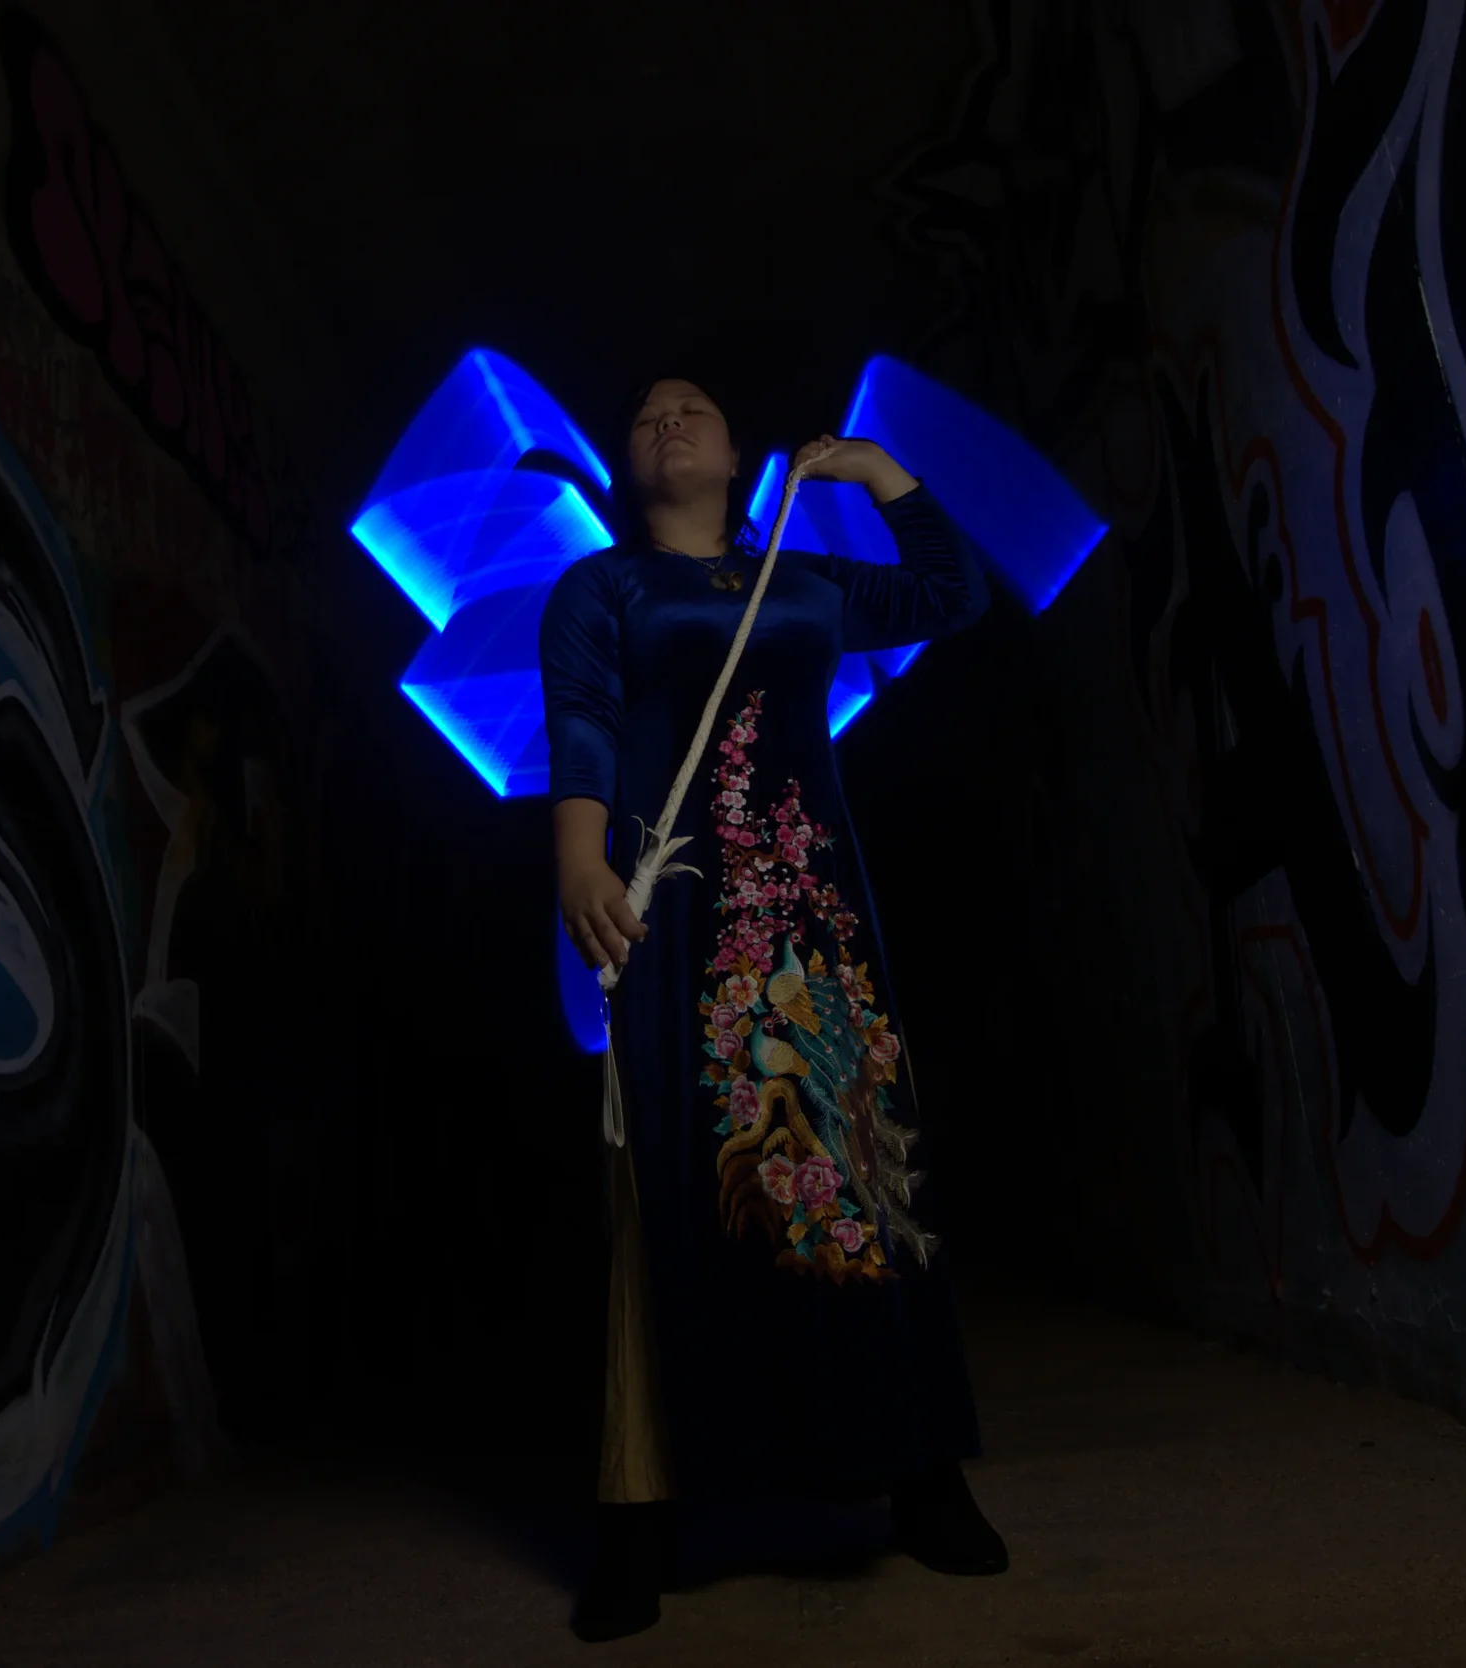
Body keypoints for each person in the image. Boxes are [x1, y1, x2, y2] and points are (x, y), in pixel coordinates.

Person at [539, 376, 1008, 1642]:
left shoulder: (806, 584)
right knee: (675, 1184)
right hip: (677, 910)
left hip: (814, 915)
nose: (667, 419)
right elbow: (580, 727)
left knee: (859, 1175)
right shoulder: (602, 590)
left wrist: (879, 476)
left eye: (692, 406)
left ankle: (918, 1478)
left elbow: (955, 596)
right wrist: (578, 863)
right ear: (630, 471)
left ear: (741, 455)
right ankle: (641, 1515)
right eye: (643, 417)